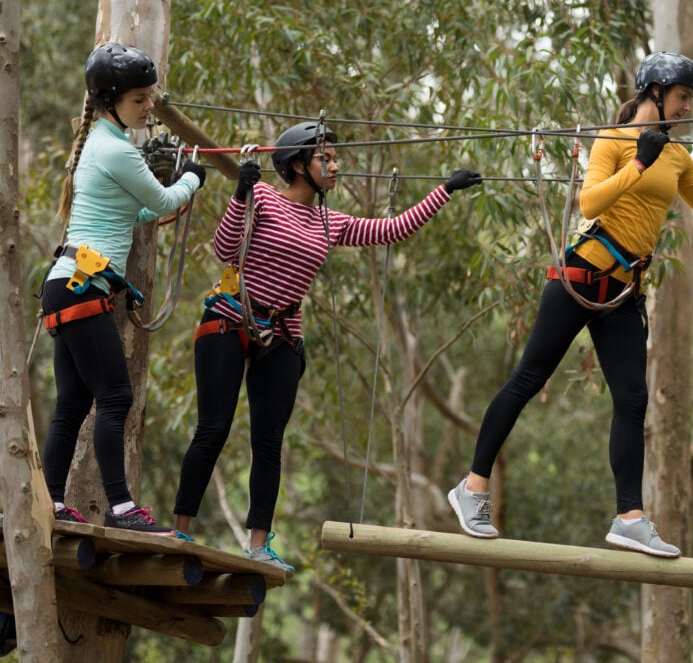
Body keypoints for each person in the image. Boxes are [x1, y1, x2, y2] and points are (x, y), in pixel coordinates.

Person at [448, 51, 693, 557]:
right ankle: (471, 489)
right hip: (581, 276)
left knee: (632, 400)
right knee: (529, 378)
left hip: (624, 292)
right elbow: (589, 203)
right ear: (655, 92)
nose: (689, 107)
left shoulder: (678, 157)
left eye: (690, 99)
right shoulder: (614, 140)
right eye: (684, 96)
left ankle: (629, 518)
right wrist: (639, 161)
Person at [172, 120, 482, 570]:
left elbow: (390, 230)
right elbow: (223, 250)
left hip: (281, 333)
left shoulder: (328, 221)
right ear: (298, 166)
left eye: (335, 158)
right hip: (230, 319)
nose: (336, 166)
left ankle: (258, 544)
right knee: (213, 428)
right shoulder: (261, 198)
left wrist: (444, 191)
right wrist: (240, 193)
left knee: (269, 441)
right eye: (327, 158)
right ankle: (181, 529)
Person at [42, 43, 206, 534]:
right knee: (115, 398)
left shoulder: (101, 140)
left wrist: (163, 200)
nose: (149, 106)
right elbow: (159, 200)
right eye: (140, 99)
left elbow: (125, 211)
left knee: (72, 405)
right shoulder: (116, 149)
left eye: (150, 96)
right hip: (82, 285)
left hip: (68, 284)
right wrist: (192, 178)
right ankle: (121, 508)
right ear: (112, 100)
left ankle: (51, 502)